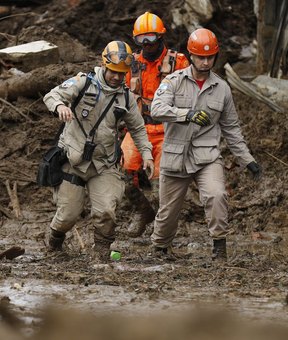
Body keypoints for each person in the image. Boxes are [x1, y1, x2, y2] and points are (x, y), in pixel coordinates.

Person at [150, 28, 262, 261]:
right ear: (191, 55)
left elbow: (232, 129)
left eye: (210, 57)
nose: (205, 61)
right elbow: (156, 110)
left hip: (207, 156)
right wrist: (186, 114)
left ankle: (219, 248)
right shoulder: (173, 82)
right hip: (175, 155)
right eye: (201, 57)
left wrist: (247, 160)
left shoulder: (222, 89)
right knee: (168, 210)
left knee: (216, 195)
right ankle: (160, 248)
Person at [43, 40, 154, 260]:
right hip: (73, 161)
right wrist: (60, 106)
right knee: (67, 215)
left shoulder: (126, 98)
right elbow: (51, 96)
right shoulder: (83, 83)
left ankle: (102, 253)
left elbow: (138, 129)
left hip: (104, 163)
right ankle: (54, 244)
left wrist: (147, 155)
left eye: (121, 73)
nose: (116, 77)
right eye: (113, 71)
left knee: (106, 211)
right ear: (104, 65)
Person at [121, 11, 189, 238]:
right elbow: (120, 97)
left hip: (168, 130)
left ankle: (164, 230)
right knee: (122, 173)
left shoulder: (178, 62)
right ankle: (142, 211)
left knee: (164, 184)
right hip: (138, 128)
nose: (147, 44)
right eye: (141, 39)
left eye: (150, 38)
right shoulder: (131, 65)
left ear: (161, 37)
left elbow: (190, 96)